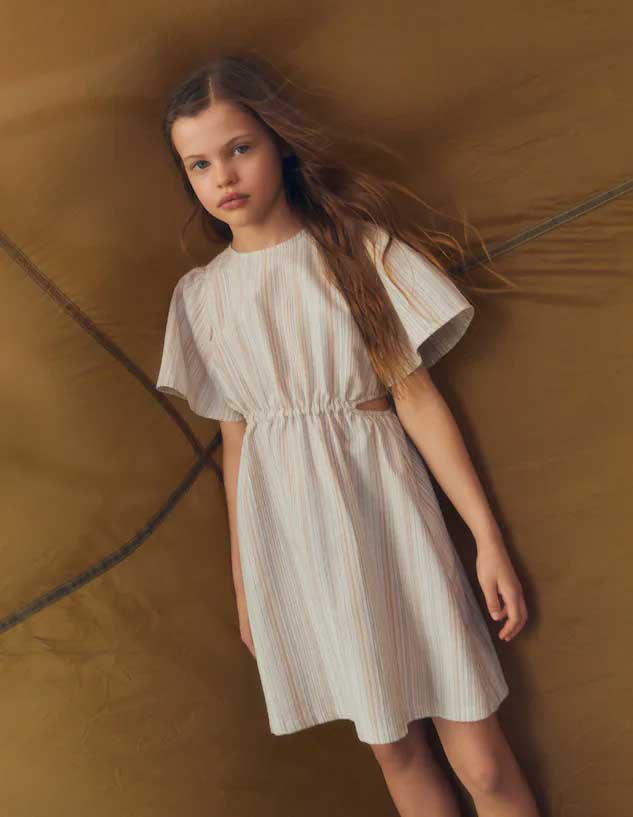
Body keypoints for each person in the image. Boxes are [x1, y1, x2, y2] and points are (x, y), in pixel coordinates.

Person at [156, 52, 541, 817]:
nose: (223, 176)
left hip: (387, 514)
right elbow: (236, 445)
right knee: (394, 751)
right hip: (295, 544)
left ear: (277, 143)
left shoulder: (355, 250)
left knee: (481, 760)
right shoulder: (200, 299)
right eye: (199, 163)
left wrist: (485, 538)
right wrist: (247, 588)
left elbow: (417, 401)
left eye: (239, 148)